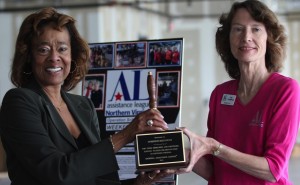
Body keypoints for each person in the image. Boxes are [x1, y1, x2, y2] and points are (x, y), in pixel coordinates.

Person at [0, 7, 174, 185]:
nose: (54, 57)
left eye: (62, 49)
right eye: (43, 50)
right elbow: (57, 173)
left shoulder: (83, 106)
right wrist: (127, 134)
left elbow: (95, 180)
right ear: (28, 55)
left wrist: (138, 183)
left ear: (72, 55)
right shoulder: (18, 102)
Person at [178, 0, 300, 185]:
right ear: (228, 38)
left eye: (256, 29)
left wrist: (215, 147)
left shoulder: (285, 90)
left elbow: (273, 169)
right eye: (238, 29)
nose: (246, 37)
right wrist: (180, 154)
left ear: (269, 37)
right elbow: (214, 170)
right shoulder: (220, 94)